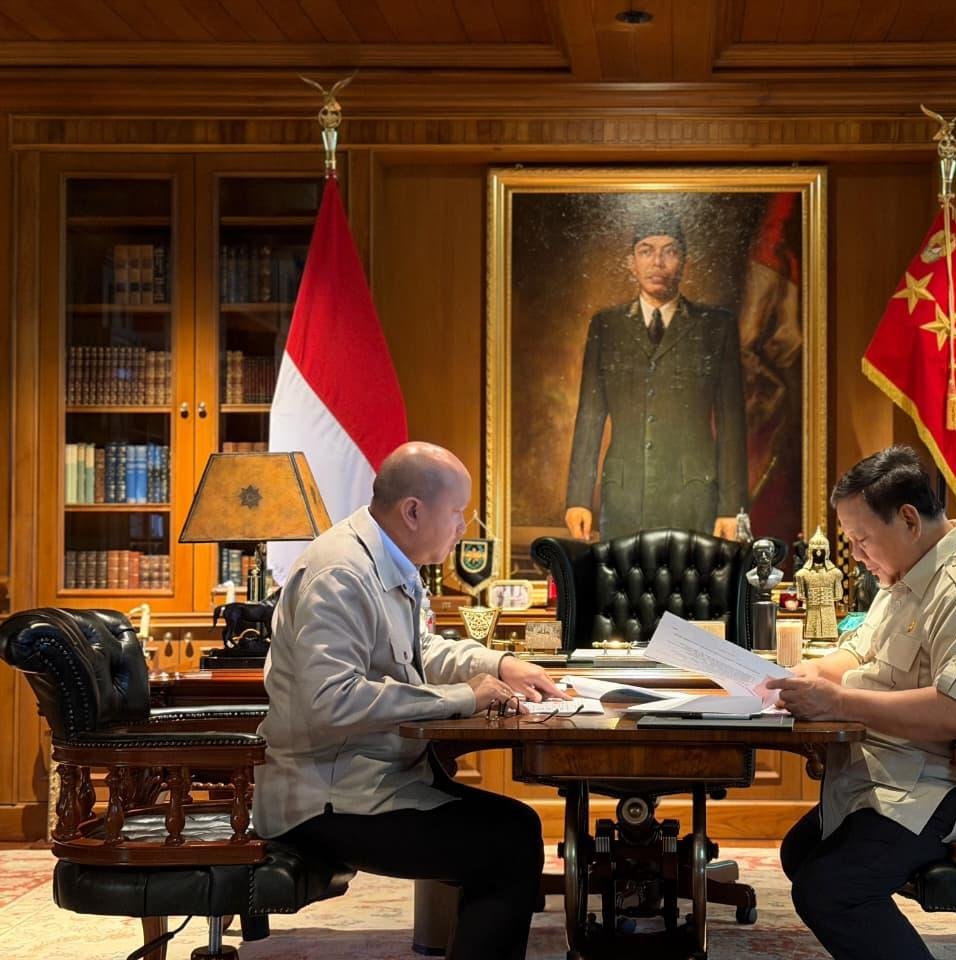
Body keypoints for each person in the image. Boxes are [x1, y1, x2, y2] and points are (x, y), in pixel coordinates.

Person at [253, 441, 563, 960]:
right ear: (413, 511)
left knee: (516, 829)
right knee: (507, 844)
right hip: (325, 797)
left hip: (374, 779)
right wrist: (463, 698)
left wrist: (500, 664)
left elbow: (422, 650)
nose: (462, 527)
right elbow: (330, 700)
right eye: (457, 512)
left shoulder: (388, 560)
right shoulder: (340, 574)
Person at [765, 445, 956, 960]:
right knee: (802, 852)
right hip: (907, 770)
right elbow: (860, 651)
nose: (856, 554)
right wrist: (811, 674)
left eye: (862, 539)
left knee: (830, 888)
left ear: (909, 520)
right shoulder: (905, 577)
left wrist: (839, 702)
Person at [564, 208, 748, 542]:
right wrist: (578, 499)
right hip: (623, 499)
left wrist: (732, 508)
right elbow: (590, 416)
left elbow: (731, 422)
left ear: (685, 261)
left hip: (693, 499)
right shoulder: (606, 326)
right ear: (631, 262)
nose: (658, 263)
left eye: (669, 251)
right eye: (646, 251)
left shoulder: (716, 326)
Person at [794, 526, 842, 644]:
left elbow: (838, 596)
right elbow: (801, 596)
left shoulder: (835, 574)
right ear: (810, 552)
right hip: (812, 612)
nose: (819, 553)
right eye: (815, 551)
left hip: (828, 612)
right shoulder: (802, 575)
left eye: (821, 551)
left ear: (826, 552)